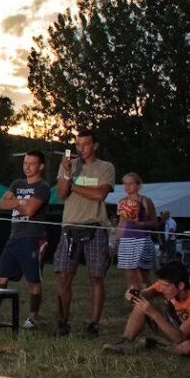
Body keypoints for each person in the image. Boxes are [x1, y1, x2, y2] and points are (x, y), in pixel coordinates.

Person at [54, 129, 115, 337]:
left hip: (95, 226)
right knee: (63, 276)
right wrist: (67, 174)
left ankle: (93, 324)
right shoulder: (69, 165)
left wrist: (73, 186)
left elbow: (99, 194)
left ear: (95, 145)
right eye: (78, 144)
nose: (81, 148)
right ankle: (63, 320)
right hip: (69, 225)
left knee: (96, 277)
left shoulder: (105, 167)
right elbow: (61, 194)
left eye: (86, 144)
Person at [0, 151, 50, 329]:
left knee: (33, 279)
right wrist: (22, 202)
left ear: (40, 166)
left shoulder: (43, 187)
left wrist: (17, 202)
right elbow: (2, 204)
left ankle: (33, 317)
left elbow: (29, 211)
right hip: (14, 237)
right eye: (25, 163)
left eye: (32, 164)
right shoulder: (17, 183)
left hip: (33, 237)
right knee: (1, 277)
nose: (27, 167)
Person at [103, 261, 190, 356]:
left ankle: (156, 344)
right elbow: (148, 293)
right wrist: (135, 294)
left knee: (186, 347)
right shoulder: (167, 284)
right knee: (142, 304)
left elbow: (179, 337)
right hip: (180, 327)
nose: (163, 289)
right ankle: (125, 342)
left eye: (165, 286)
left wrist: (154, 313)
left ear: (180, 286)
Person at [114, 172, 159, 292]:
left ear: (138, 186)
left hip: (142, 240)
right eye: (125, 183)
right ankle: (135, 305)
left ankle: (146, 305)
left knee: (143, 277)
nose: (127, 186)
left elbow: (155, 222)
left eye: (130, 183)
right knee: (130, 277)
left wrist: (142, 224)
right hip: (126, 241)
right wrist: (116, 241)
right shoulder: (121, 202)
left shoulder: (145, 201)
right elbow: (121, 223)